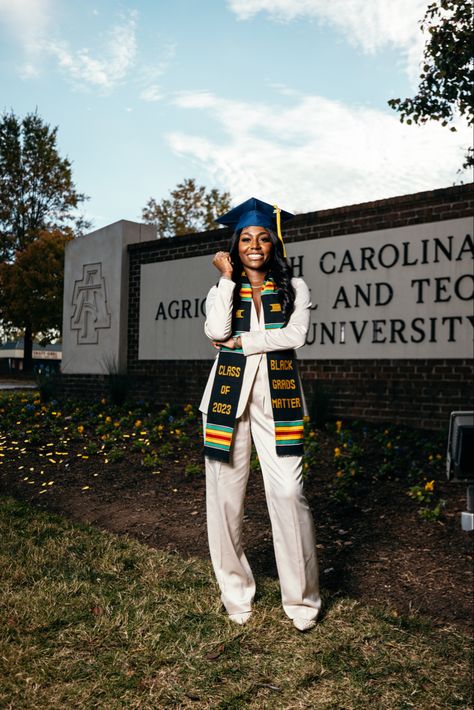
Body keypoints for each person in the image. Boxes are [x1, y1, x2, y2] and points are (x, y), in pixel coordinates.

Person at [199, 197, 320, 632]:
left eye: (263, 237)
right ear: (236, 246)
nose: (255, 244)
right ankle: (236, 595)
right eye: (246, 238)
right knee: (225, 503)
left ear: (274, 245)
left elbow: (296, 335)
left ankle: (302, 602)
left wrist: (244, 342)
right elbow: (216, 332)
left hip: (279, 401)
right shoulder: (222, 289)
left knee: (289, 492)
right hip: (227, 403)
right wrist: (228, 279)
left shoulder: (295, 288)